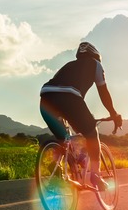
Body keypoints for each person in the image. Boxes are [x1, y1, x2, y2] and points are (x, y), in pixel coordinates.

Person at [39, 41, 123, 190]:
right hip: (70, 98)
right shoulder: (95, 64)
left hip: (46, 99)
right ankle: (95, 175)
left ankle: (57, 168)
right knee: (91, 132)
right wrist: (114, 114)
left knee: (63, 139)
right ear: (96, 55)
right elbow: (103, 92)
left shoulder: (68, 66)